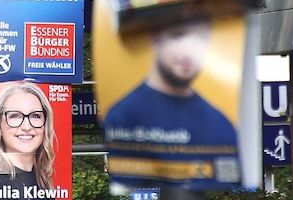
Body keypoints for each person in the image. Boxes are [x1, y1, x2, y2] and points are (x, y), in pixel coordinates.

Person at [102, 17, 238, 176]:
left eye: (200, 40)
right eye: (178, 36)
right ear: (155, 38)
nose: (189, 52)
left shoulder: (222, 124)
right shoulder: (122, 117)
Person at [0, 82, 60, 200]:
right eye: (15, 116)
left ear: (45, 124)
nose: (26, 127)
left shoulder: (41, 178)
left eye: (35, 116)